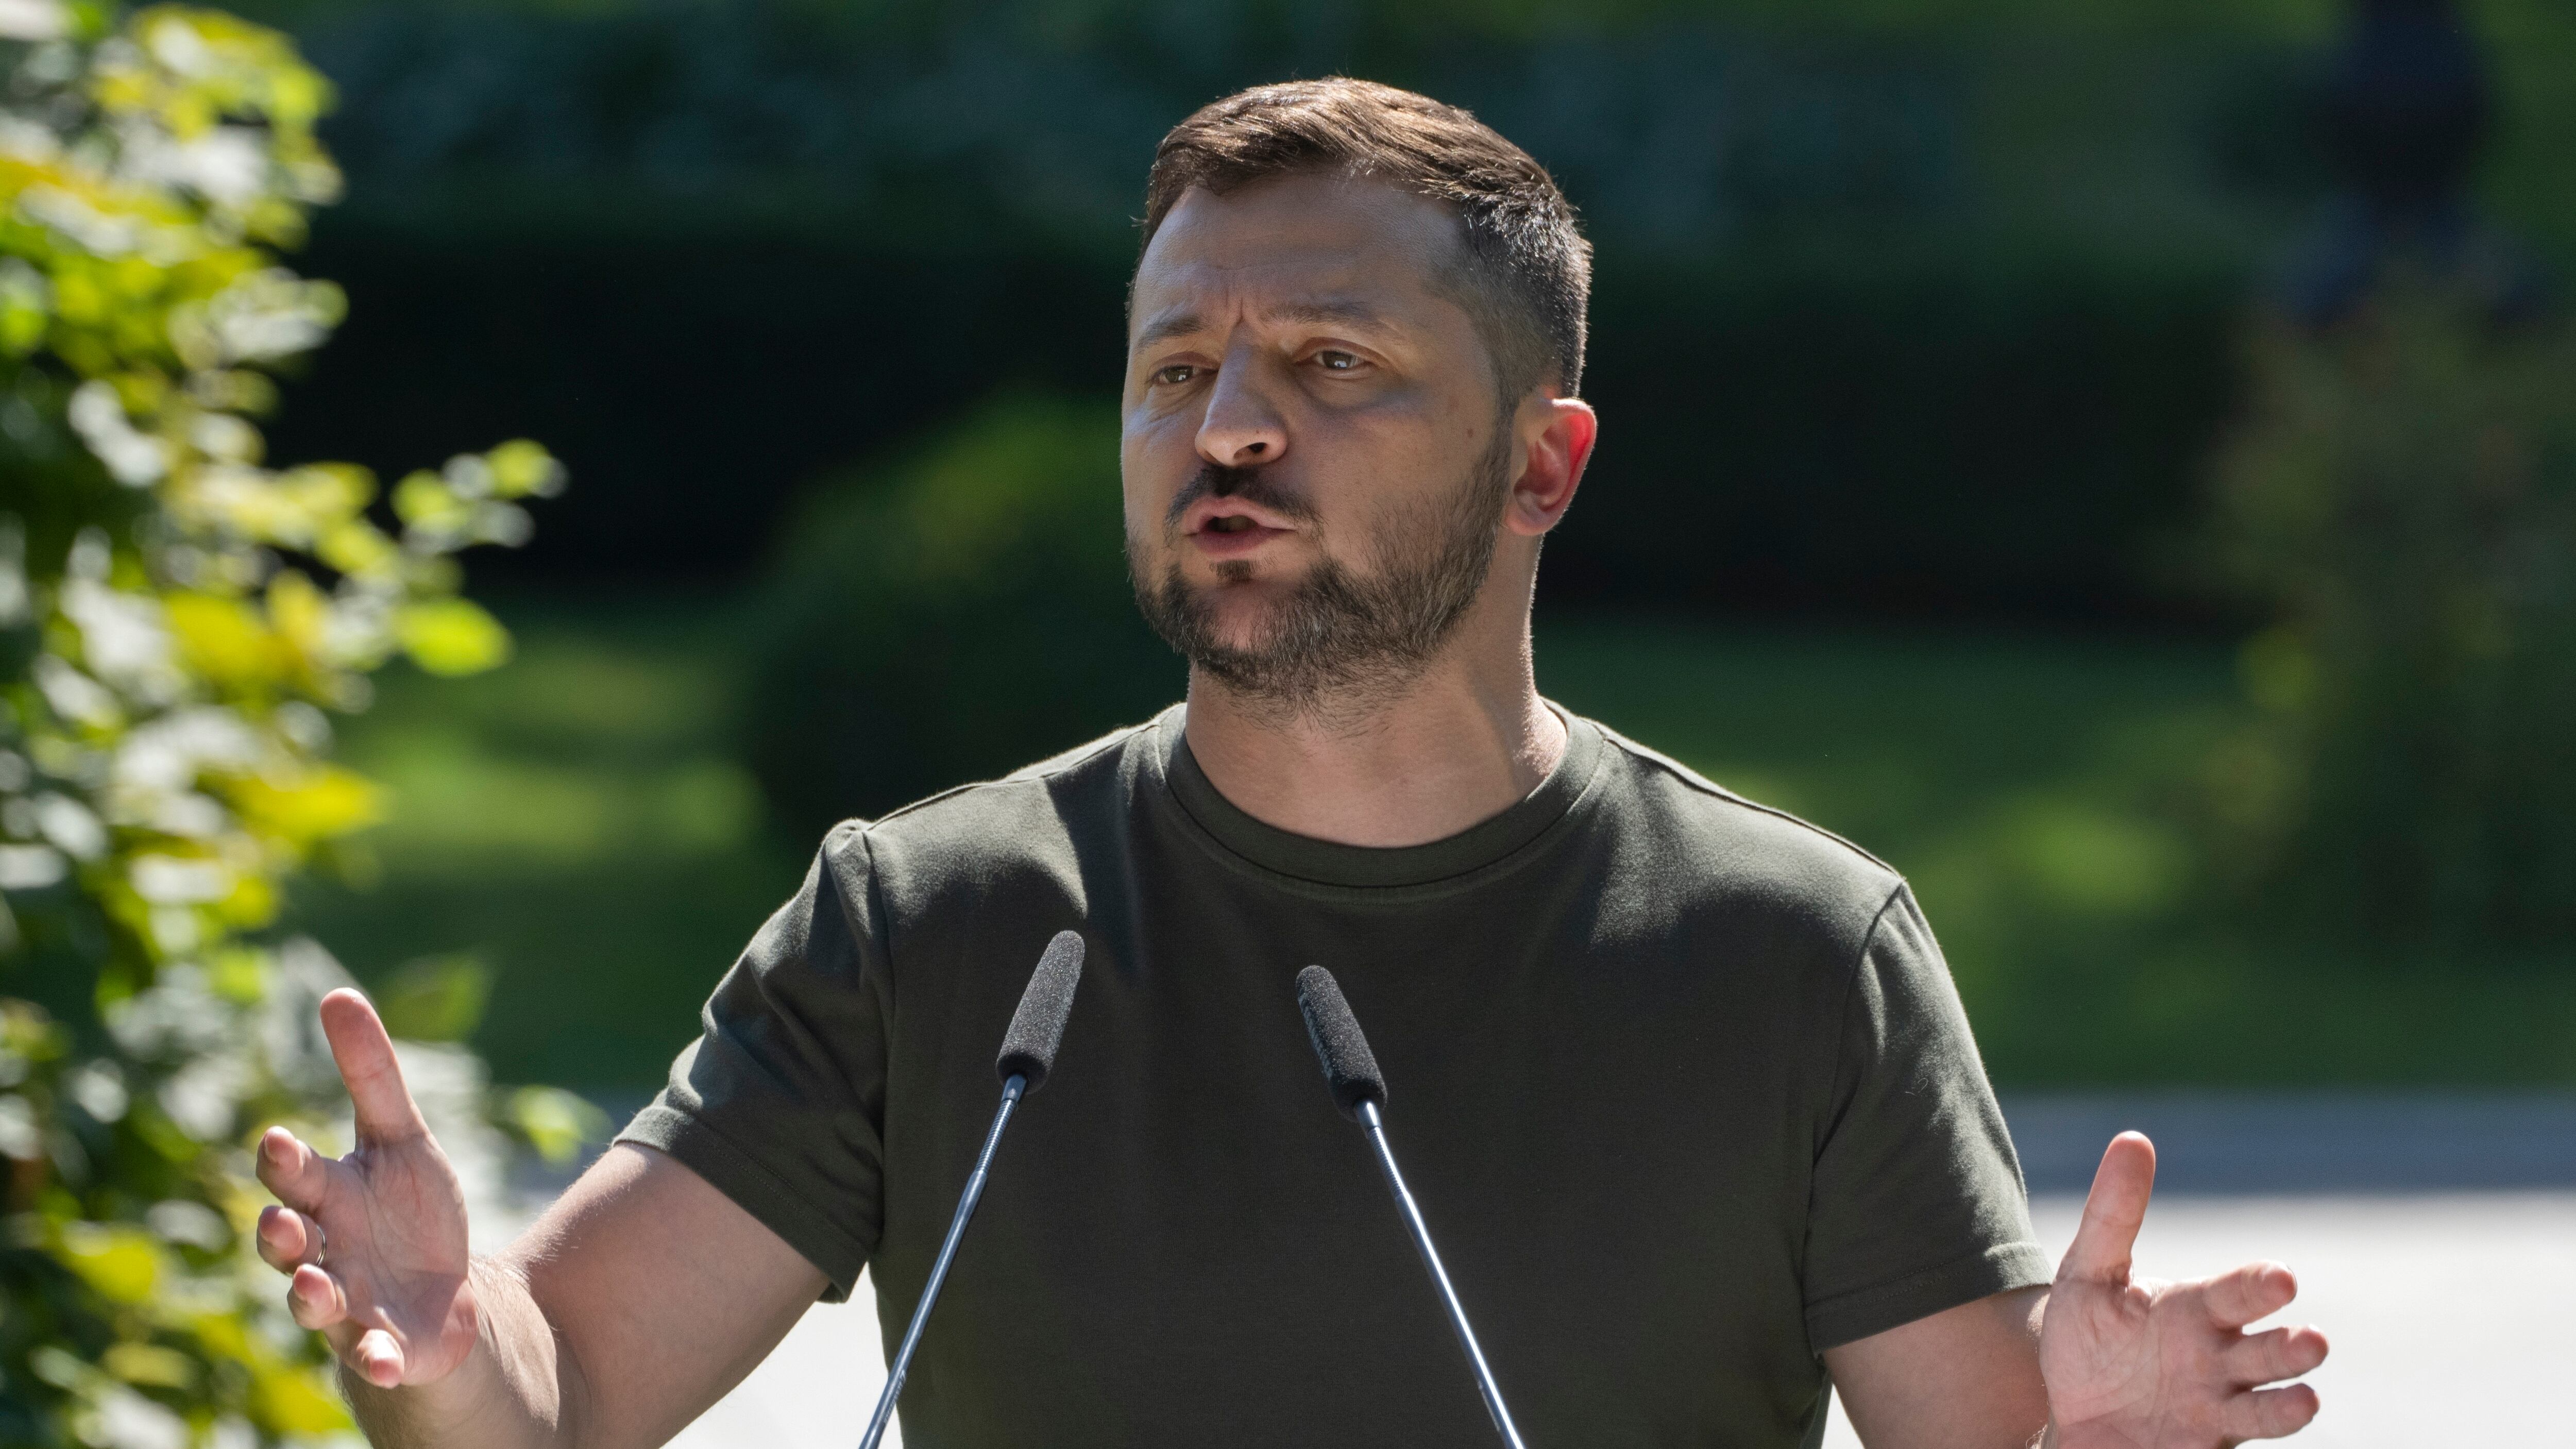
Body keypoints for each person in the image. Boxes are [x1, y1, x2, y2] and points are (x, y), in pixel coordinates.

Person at [253, 79, 2328, 1448]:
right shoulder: (928, 923)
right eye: (1175, 368)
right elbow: (560, 1390)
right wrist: (445, 1346)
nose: (1227, 423)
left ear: (1540, 464)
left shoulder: (1794, 954)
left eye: (1331, 361)